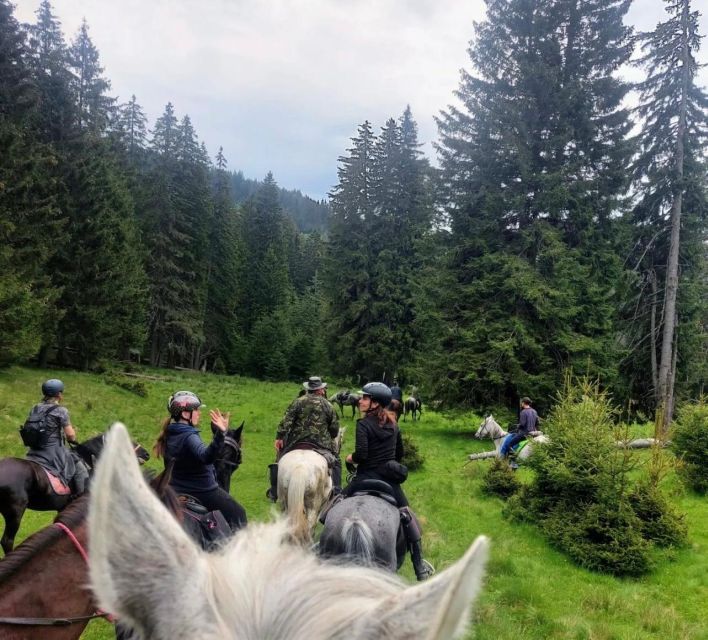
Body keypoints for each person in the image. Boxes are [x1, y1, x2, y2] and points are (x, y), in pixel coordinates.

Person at [344, 382, 434, 581]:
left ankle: (319, 546)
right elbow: (399, 454)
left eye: (365, 398)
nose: (361, 400)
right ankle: (419, 565)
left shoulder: (363, 424)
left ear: (375, 403)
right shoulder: (394, 426)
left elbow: (362, 454)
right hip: (388, 482)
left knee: (333, 506)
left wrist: (350, 458)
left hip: (364, 477)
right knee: (408, 516)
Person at [154, 390, 247, 531]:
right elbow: (206, 457)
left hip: (175, 489)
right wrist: (221, 433)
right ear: (185, 414)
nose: (199, 413)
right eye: (196, 410)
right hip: (202, 490)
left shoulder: (170, 433)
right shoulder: (189, 436)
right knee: (239, 513)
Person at [267, 376, 342, 502]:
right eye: (322, 389)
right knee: (337, 462)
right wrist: (331, 435)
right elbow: (334, 428)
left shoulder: (297, 401)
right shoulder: (328, 405)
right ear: (319, 390)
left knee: (279, 460)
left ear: (309, 388)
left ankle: (274, 491)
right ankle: (337, 492)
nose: (323, 391)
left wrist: (279, 437)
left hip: (296, 442)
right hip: (321, 444)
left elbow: (286, 422)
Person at [24, 379, 90, 496]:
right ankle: (81, 499)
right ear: (59, 394)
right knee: (80, 469)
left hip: (34, 450)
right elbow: (70, 435)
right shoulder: (61, 410)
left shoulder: (35, 408)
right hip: (53, 452)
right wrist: (73, 439)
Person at [500, 396, 540, 464]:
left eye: (522, 403)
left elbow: (522, 424)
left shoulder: (523, 412)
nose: (521, 404)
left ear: (524, 403)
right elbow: (537, 423)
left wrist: (518, 426)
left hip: (524, 434)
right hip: (533, 434)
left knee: (510, 444)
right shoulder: (534, 411)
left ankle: (513, 462)